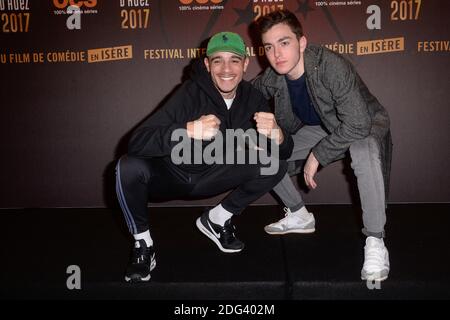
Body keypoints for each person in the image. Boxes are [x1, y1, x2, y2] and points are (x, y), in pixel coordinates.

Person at [115, 31, 293, 282]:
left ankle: (217, 219)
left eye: (234, 60)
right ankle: (143, 245)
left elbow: (283, 152)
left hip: (213, 175)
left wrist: (278, 135)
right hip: (172, 174)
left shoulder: (253, 98)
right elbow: (135, 142)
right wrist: (187, 130)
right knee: (127, 166)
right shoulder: (189, 92)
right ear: (207, 65)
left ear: (245, 64)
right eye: (218, 60)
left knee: (274, 164)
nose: (226, 68)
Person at [252, 10, 393, 282]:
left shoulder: (330, 65)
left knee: (362, 150)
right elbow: (247, 94)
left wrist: (319, 154)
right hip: (323, 127)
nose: (276, 53)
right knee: (263, 153)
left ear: (302, 43)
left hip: (363, 120)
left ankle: (375, 242)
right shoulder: (274, 75)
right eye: (269, 47)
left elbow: (357, 123)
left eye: (284, 43)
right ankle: (298, 215)